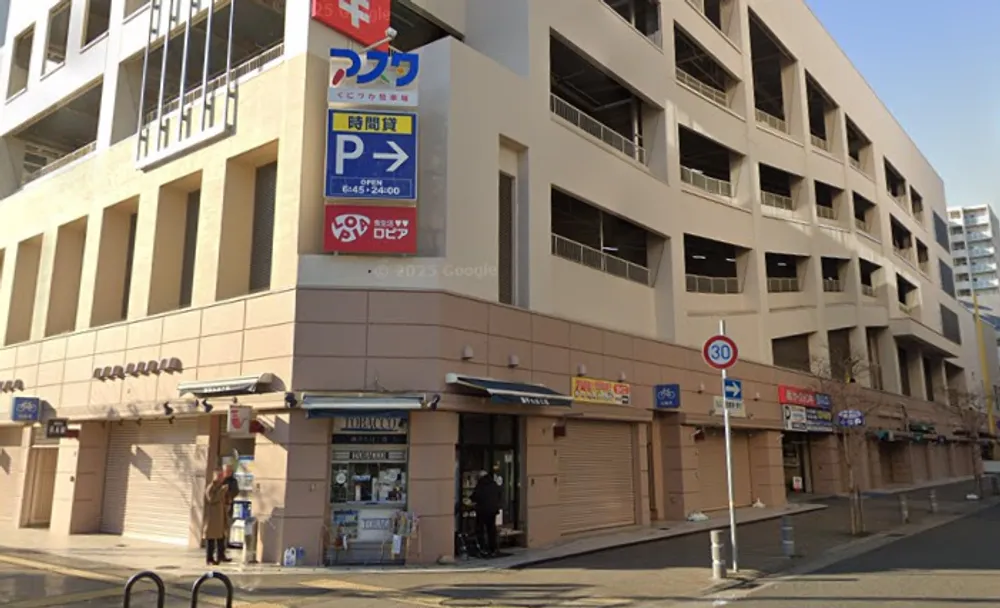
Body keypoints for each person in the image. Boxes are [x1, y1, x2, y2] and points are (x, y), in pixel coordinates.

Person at [470, 470, 502, 557]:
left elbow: (475, 496)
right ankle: (493, 548)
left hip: (482, 510)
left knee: (480, 529)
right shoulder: (494, 484)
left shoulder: (481, 485)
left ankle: (482, 548)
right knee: (491, 529)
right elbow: (499, 494)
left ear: (480, 477)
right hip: (492, 510)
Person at [203, 468, 229, 565]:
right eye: (219, 476)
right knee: (211, 538)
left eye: (222, 476)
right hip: (212, 518)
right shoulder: (211, 487)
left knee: (221, 537)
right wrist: (222, 491)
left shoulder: (220, 486)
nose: (221, 478)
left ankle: (221, 555)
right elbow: (212, 499)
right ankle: (209, 558)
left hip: (220, 517)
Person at [220, 464, 239, 562]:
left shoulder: (233, 481)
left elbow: (235, 491)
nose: (229, 472)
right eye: (227, 471)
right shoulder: (220, 480)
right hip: (219, 509)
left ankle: (222, 551)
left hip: (228, 508)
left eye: (230, 471)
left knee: (225, 531)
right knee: (219, 532)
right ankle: (218, 552)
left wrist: (229, 495)